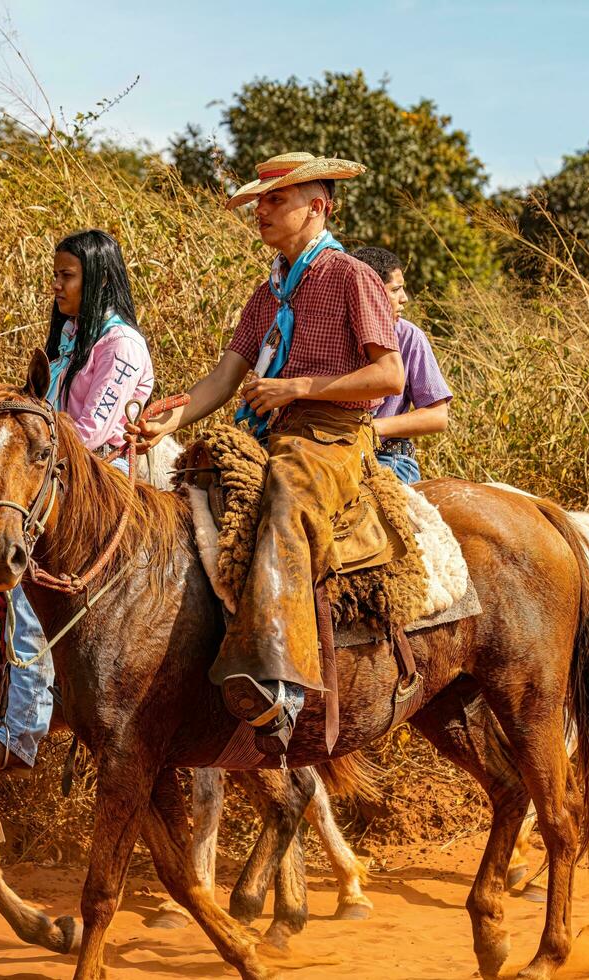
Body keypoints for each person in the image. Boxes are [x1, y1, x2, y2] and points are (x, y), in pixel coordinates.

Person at [127, 152, 403, 756]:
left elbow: (389, 375)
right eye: (260, 201)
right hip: (269, 426)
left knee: (285, 499)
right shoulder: (266, 293)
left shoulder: (351, 276)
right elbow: (223, 381)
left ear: (319, 206)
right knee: (186, 489)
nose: (262, 211)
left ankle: (281, 683)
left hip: (329, 433)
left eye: (276, 200)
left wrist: (298, 387)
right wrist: (164, 419)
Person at [0, 229, 154, 771]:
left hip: (101, 486)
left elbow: (87, 433)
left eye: (67, 276)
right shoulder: (70, 339)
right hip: (57, 483)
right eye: (57, 274)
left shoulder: (121, 347)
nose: (57, 285)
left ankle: (21, 732)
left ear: (97, 279)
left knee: (27, 590)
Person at [352, 246, 452, 483]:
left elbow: (438, 416)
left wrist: (372, 428)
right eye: (395, 290)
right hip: (334, 452)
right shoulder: (330, 332)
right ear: (370, 293)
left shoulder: (408, 336)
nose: (404, 298)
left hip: (387, 458)